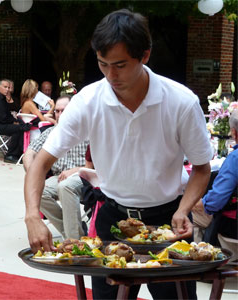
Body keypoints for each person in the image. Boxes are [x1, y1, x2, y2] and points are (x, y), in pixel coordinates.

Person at [23, 9, 213, 300]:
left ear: (145, 55)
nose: (111, 75)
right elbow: (40, 162)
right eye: (103, 64)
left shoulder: (181, 102)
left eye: (120, 65)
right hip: (112, 217)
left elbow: (202, 168)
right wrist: (32, 216)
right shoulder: (88, 100)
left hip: (167, 223)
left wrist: (183, 209)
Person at [23, 95, 89, 239]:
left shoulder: (87, 131)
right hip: (58, 177)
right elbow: (29, 153)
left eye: (63, 111)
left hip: (85, 176)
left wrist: (74, 170)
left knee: (65, 186)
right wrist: (32, 173)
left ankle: (74, 241)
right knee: (38, 189)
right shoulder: (51, 132)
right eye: (57, 111)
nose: (59, 115)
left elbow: (99, 164)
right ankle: (74, 234)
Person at [192, 109, 238, 261]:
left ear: (234, 133)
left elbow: (214, 202)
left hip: (233, 226)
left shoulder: (235, 159)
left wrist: (191, 204)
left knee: (187, 214)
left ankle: (198, 264)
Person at [0, 79, 31, 164]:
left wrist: (16, 121)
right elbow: (3, 119)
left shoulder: (1, 99)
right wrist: (15, 122)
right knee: (19, 128)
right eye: (5, 87)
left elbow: (7, 116)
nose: (7, 89)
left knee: (20, 127)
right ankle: (10, 155)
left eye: (8, 87)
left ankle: (15, 154)